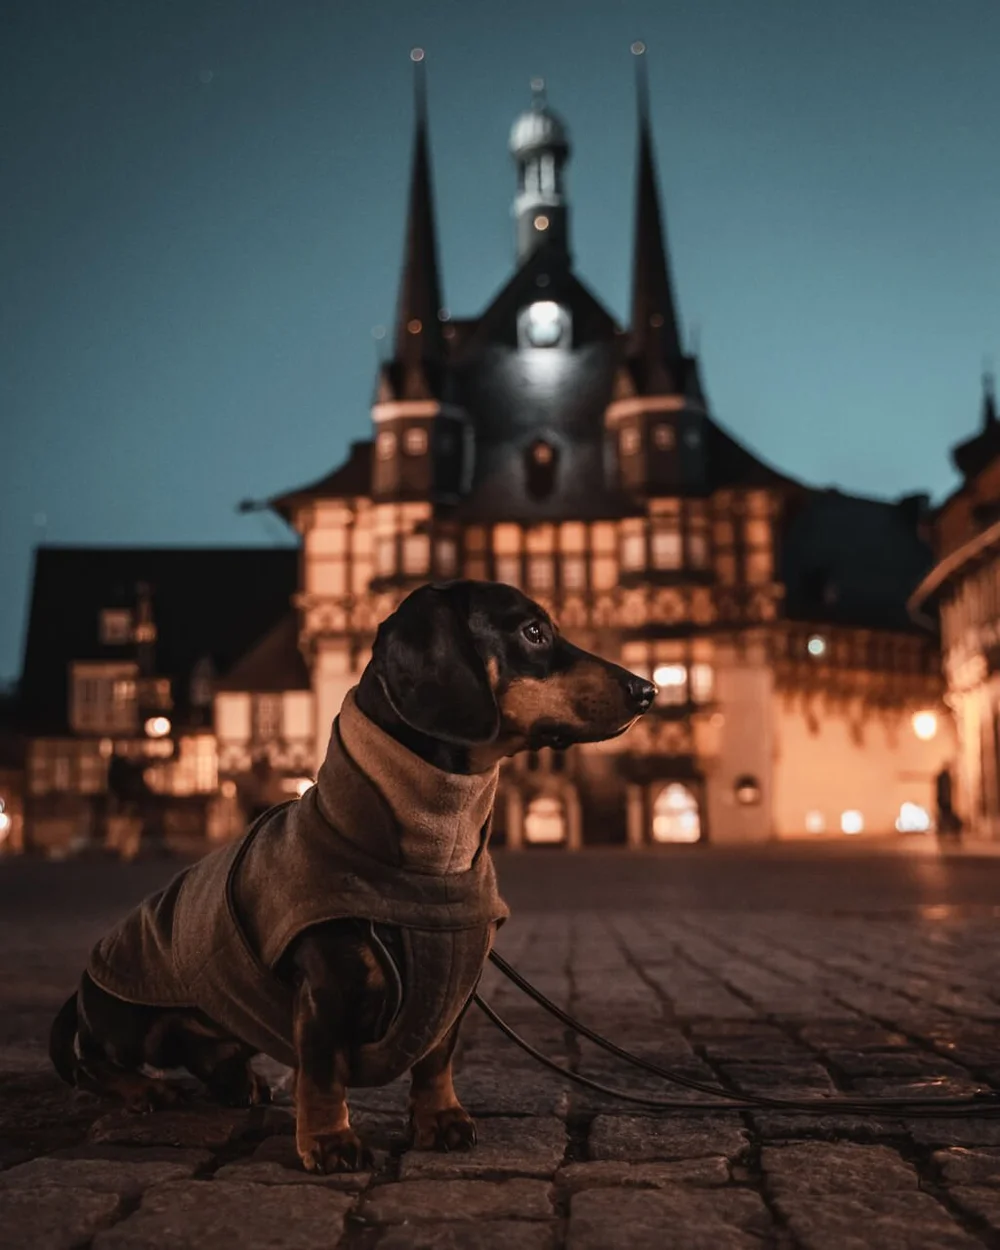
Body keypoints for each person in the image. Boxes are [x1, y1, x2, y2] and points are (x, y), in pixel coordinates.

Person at [935, 764, 963, 844]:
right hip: (945, 800)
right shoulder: (945, 777)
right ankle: (946, 831)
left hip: (943, 799)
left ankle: (945, 831)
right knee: (945, 814)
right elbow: (945, 789)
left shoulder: (942, 777)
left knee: (944, 814)